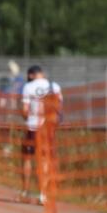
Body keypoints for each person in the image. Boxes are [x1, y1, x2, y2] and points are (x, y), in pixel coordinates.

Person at [19, 65, 62, 205]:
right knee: (44, 160)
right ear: (42, 74)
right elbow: (59, 108)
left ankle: (25, 191)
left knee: (26, 158)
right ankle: (43, 195)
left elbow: (25, 110)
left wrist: (27, 118)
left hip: (33, 127)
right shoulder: (55, 86)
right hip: (48, 129)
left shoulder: (28, 87)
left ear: (31, 75)